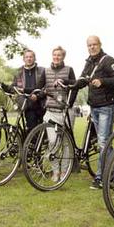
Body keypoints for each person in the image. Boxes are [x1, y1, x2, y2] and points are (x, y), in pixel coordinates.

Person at [75, 36, 114, 189]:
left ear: (100, 45)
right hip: (94, 106)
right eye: (89, 45)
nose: (92, 47)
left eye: (94, 44)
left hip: (106, 106)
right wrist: (69, 85)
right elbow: (82, 80)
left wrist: (103, 81)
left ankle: (100, 177)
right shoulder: (89, 62)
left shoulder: (108, 60)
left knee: (103, 142)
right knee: (105, 143)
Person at [43, 46, 76, 182]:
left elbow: (75, 86)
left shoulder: (69, 70)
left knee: (66, 143)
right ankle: (55, 171)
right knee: (52, 142)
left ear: (63, 57)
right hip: (51, 111)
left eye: (59, 55)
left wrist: (70, 103)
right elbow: (40, 88)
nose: (56, 57)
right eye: (54, 55)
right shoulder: (46, 71)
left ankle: (64, 171)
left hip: (65, 111)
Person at [4, 49, 46, 131]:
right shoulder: (18, 72)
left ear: (34, 58)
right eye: (26, 57)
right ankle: (31, 142)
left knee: (43, 128)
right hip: (27, 104)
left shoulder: (42, 71)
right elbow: (14, 87)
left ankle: (42, 142)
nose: (29, 59)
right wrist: (4, 86)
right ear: (24, 59)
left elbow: (45, 86)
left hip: (40, 103)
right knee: (31, 127)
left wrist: (38, 96)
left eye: (31, 57)